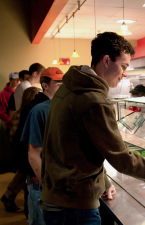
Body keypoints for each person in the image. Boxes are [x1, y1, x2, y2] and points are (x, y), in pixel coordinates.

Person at [40, 32, 145, 225]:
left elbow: (73, 145)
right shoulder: (93, 100)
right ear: (106, 60)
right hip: (74, 206)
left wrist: (103, 182)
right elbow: (123, 160)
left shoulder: (69, 87)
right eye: (123, 66)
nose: (125, 74)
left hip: (57, 197)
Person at [20, 67, 64, 225]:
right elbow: (24, 144)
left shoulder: (56, 106)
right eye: (58, 85)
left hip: (47, 175)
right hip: (38, 176)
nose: (62, 88)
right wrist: (34, 172)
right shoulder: (35, 108)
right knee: (38, 217)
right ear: (45, 85)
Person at [1, 87, 39, 213]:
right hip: (24, 149)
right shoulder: (27, 113)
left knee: (22, 175)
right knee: (24, 175)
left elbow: (13, 135)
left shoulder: (19, 113)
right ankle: (9, 197)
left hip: (19, 149)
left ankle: (8, 196)